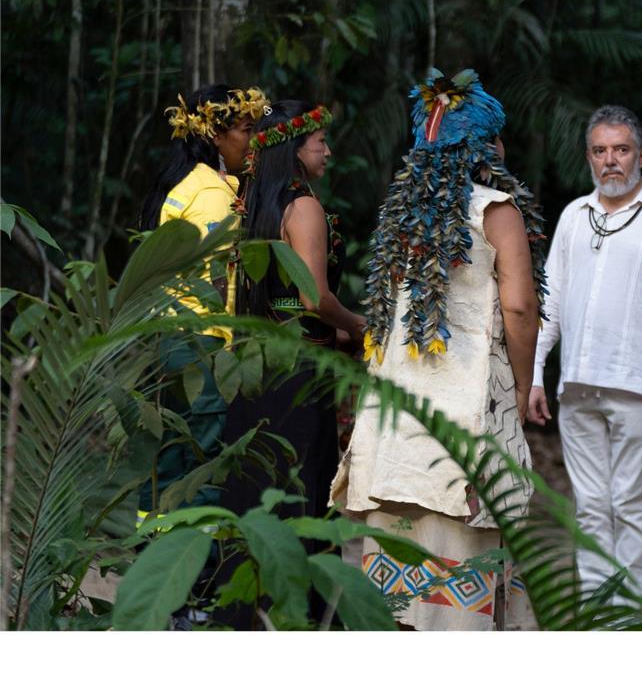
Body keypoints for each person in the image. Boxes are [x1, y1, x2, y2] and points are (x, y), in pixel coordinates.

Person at [331, 68, 547, 630]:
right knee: (463, 546)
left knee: (401, 543)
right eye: (497, 139)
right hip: (466, 405)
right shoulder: (496, 210)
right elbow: (521, 307)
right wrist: (521, 387)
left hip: (399, 407)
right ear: (484, 146)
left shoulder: (402, 218)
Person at [529, 104, 642, 599]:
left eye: (621, 150)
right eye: (600, 151)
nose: (611, 161)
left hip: (638, 385)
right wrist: (537, 374)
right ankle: (594, 611)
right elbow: (552, 302)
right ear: (589, 157)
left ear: (641, 154)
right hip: (578, 384)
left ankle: (625, 616)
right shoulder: (574, 216)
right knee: (588, 505)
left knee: (629, 501)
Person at [216, 99, 363, 628]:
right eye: (318, 140)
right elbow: (311, 297)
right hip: (301, 369)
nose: (327, 149)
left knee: (254, 487)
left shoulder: (254, 201)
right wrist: (356, 323)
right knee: (306, 486)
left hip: (258, 364)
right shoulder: (303, 207)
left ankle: (241, 610)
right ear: (295, 149)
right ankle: (311, 615)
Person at [136, 84, 268, 517]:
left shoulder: (180, 184)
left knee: (167, 455)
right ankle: (197, 569)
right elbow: (213, 276)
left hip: (165, 334)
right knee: (202, 461)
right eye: (246, 130)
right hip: (200, 341)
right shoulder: (213, 195)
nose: (252, 140)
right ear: (216, 135)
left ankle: (149, 548)